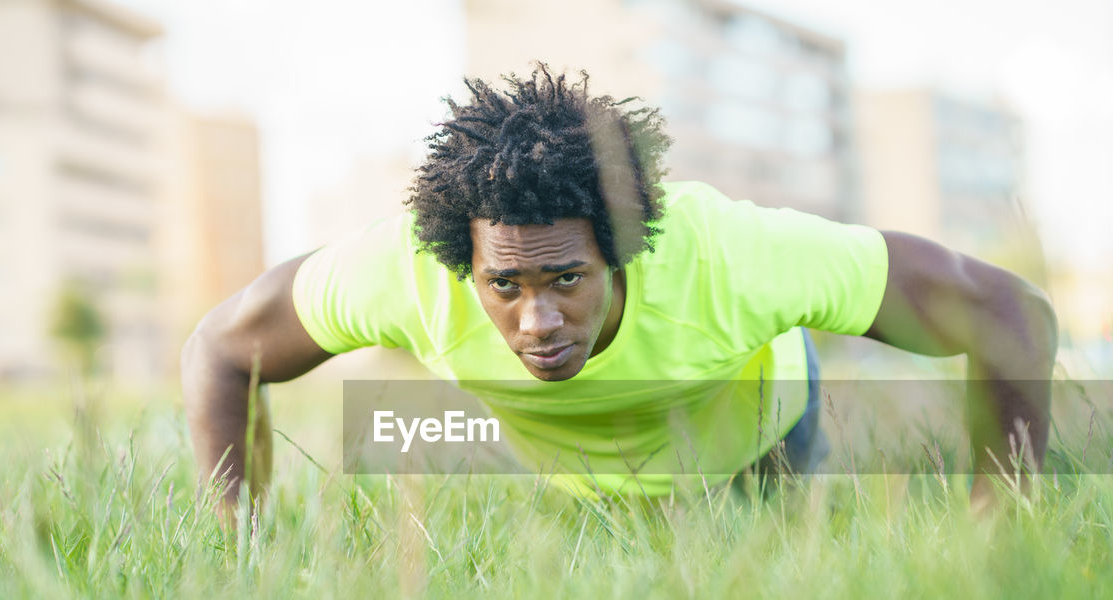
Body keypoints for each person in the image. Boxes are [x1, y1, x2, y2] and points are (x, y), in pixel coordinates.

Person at [182, 65, 1057, 514]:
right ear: (466, 266)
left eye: (567, 277)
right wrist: (239, 544)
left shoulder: (735, 257)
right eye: (505, 285)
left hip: (754, 437)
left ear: (625, 252)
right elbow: (219, 350)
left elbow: (1014, 313)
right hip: (580, 482)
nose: (538, 319)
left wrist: (1001, 515)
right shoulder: (405, 272)